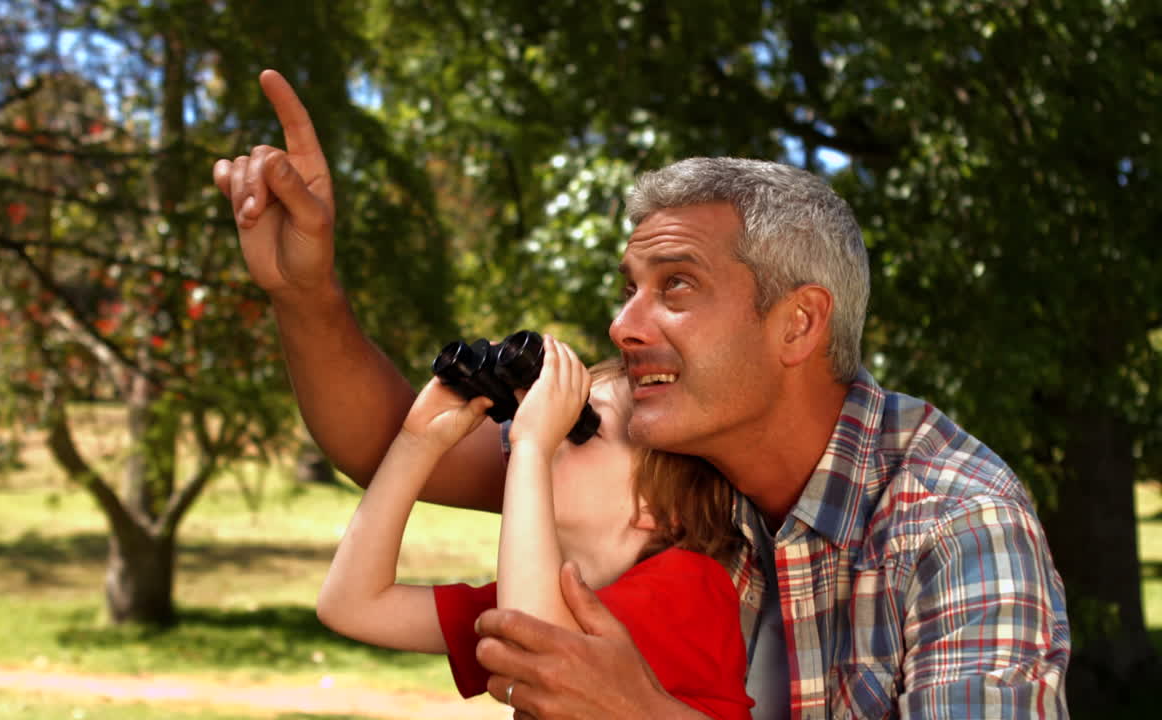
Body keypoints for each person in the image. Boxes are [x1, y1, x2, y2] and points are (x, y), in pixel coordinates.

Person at [213, 69, 1071, 718]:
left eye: (678, 286)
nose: (622, 326)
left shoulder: (957, 525)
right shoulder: (682, 462)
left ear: (799, 326)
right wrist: (306, 294)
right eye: (629, 286)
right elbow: (381, 444)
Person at [317, 341, 755, 718]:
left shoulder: (692, 586)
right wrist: (419, 443)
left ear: (658, 508)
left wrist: (532, 446)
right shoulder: (542, 598)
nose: (552, 436)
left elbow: (538, 644)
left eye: (582, 430)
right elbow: (352, 605)